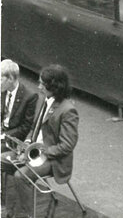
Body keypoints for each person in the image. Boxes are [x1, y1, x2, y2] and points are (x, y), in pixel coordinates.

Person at [8, 65, 79, 218]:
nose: (39, 86)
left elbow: (67, 145)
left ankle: (25, 214)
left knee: (21, 175)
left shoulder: (68, 110)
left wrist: (40, 150)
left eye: (42, 84)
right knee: (3, 161)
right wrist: (27, 143)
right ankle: (8, 207)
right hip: (36, 151)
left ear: (54, 86)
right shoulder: (44, 100)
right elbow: (35, 127)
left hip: (54, 160)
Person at [1, 60, 38, 192]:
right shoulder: (2, 91)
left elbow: (26, 128)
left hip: (14, 138)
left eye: (0, 78)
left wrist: (3, 136)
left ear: (10, 78)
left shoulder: (30, 96)